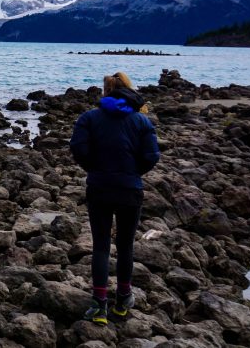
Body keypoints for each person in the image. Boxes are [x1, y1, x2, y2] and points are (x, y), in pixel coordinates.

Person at [69, 71, 160, 325]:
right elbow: (152, 155)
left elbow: (78, 148)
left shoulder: (89, 117)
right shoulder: (141, 121)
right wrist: (133, 172)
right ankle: (122, 300)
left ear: (105, 91)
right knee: (125, 245)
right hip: (130, 189)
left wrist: (93, 169)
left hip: (99, 187)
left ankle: (99, 306)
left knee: (100, 246)